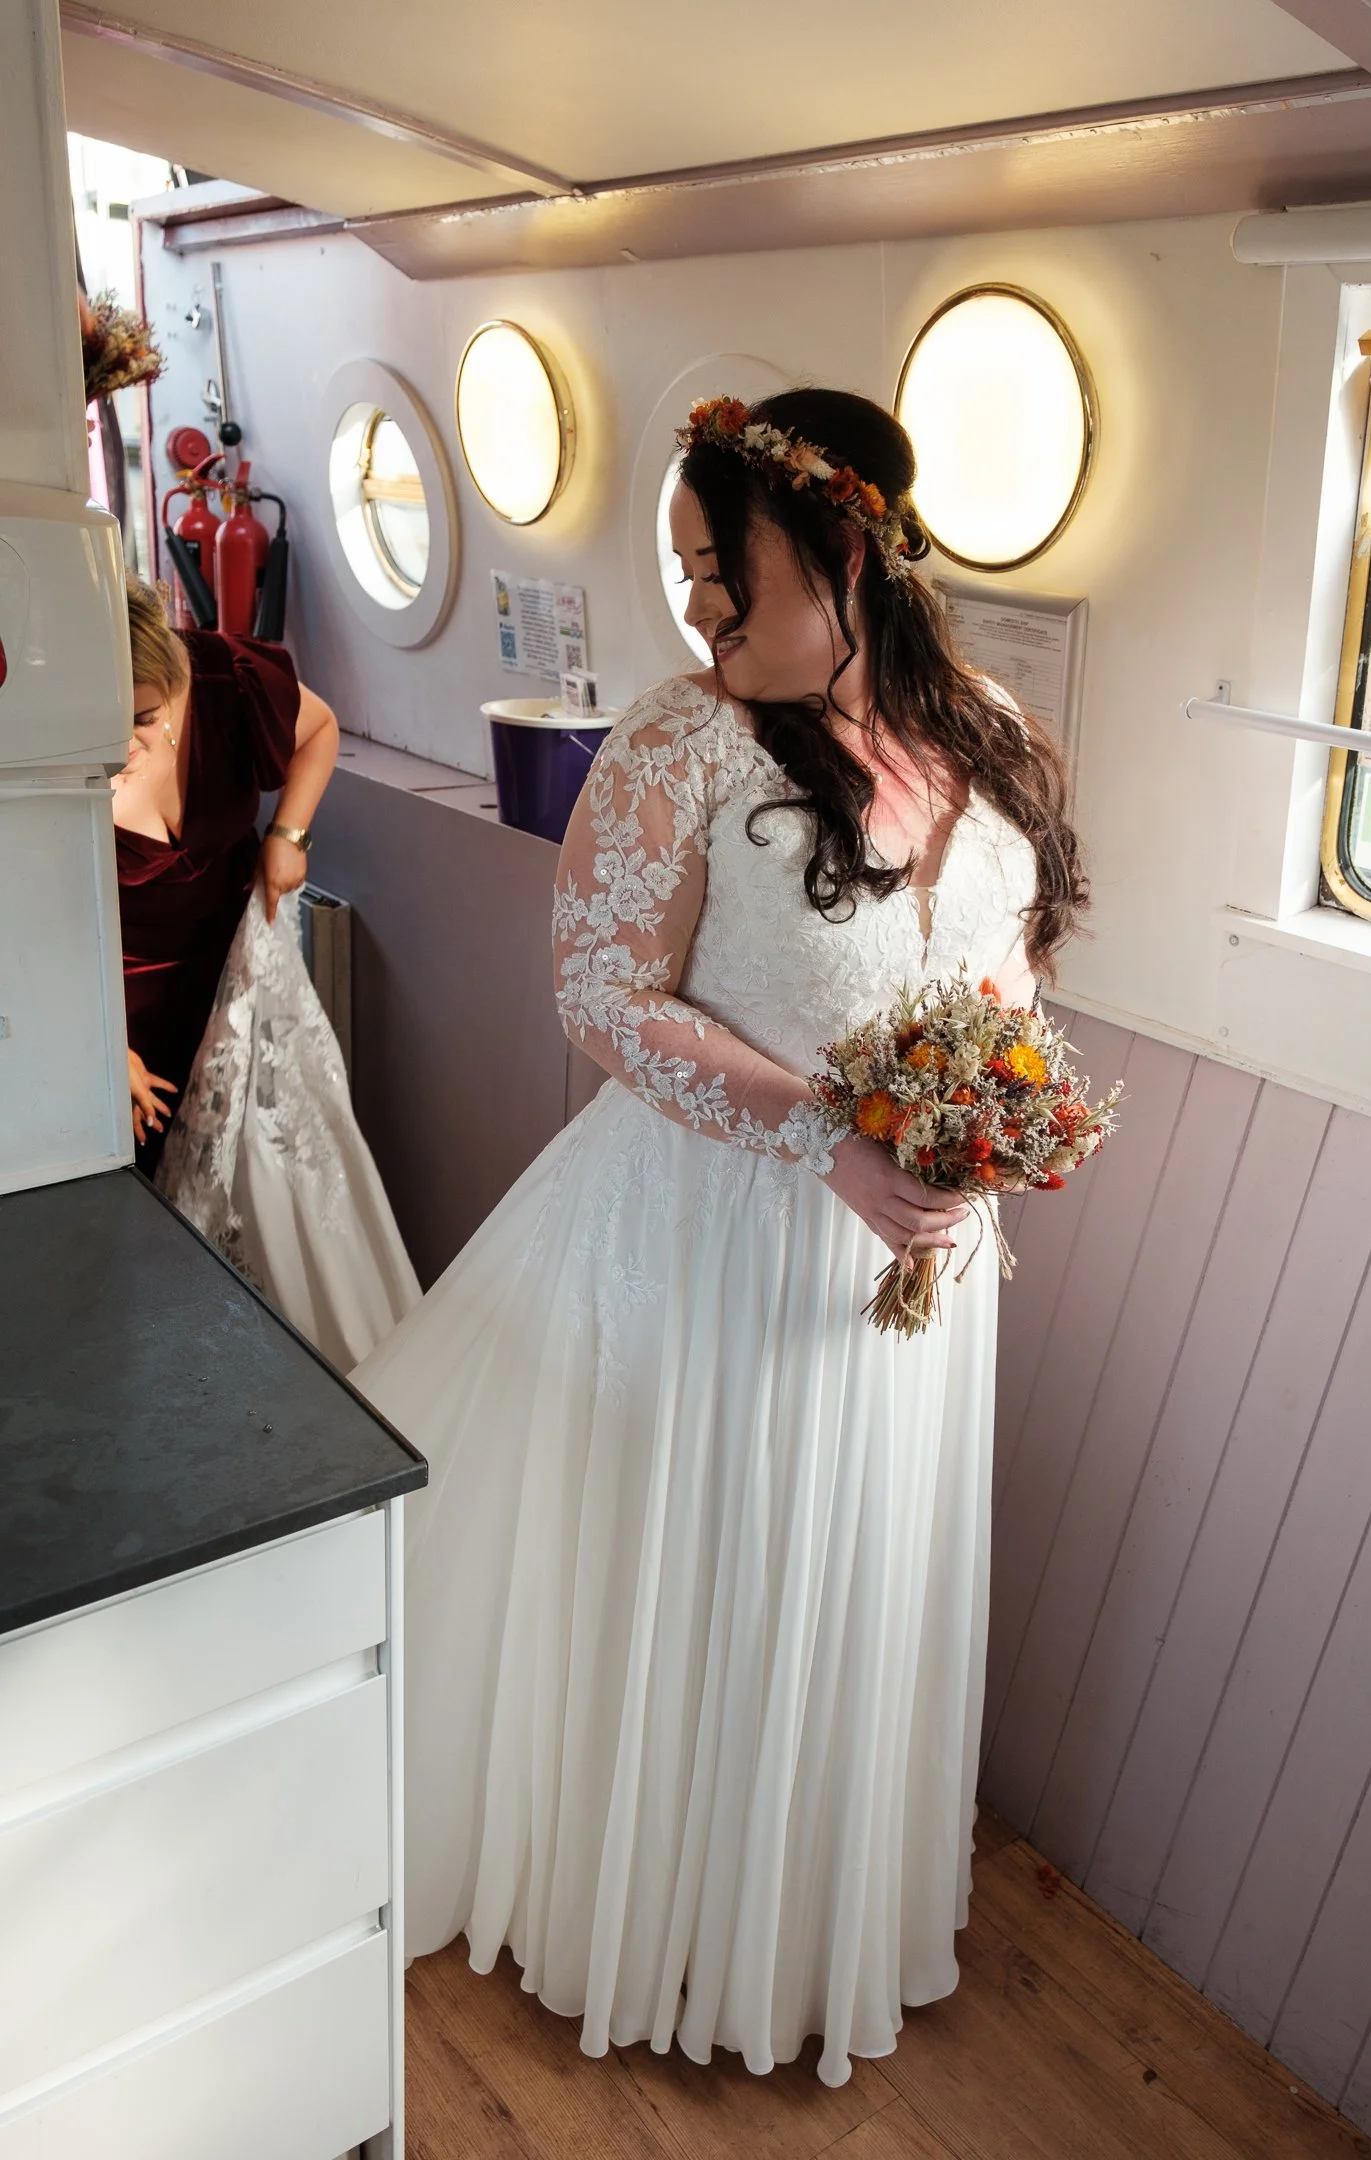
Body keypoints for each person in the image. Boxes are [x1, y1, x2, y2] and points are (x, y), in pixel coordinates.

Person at [352, 389, 1087, 2085]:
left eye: (718, 575)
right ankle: (665, 1923)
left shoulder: (984, 729)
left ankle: (804, 1910)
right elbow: (599, 992)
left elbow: (1002, 975)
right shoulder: (682, 740)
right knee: (714, 1572)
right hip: (703, 1242)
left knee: (854, 1576)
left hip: (908, 1262)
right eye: (685, 577)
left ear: (840, 551)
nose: (695, 613)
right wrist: (830, 1135)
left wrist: (979, 1135)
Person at [113, 575, 338, 1175]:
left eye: (142, 716)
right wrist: (104, 1045)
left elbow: (319, 729)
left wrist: (288, 834)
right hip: (120, 1008)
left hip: (232, 976)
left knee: (250, 1164)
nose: (120, 745)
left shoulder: (223, 680)